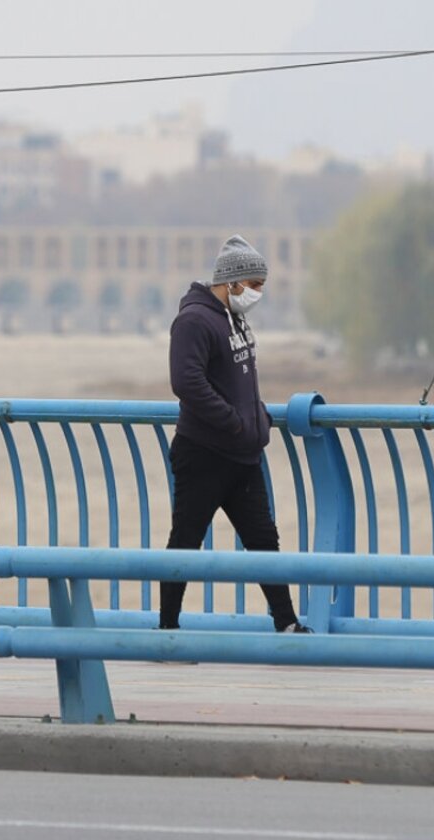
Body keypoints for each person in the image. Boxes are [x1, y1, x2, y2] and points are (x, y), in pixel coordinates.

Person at [160, 234, 311, 634]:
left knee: (264, 541)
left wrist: (256, 418)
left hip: (243, 456)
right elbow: (186, 382)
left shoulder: (234, 318)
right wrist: (234, 421)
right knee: (185, 542)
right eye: (255, 284)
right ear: (232, 281)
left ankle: (287, 624)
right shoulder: (194, 321)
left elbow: (238, 380)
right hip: (203, 454)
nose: (259, 292)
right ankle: (167, 630)